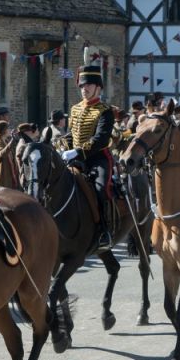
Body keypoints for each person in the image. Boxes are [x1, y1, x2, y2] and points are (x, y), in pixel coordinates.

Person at [62, 64, 117, 247]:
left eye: (88, 85)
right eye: (82, 86)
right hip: (75, 159)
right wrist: (63, 147)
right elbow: (71, 134)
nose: (84, 89)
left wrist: (76, 151)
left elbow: (101, 139)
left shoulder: (105, 111)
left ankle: (103, 230)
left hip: (98, 159)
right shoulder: (75, 109)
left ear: (98, 87)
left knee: (101, 189)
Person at [0, 120, 20, 189]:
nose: (9, 130)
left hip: (10, 175)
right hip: (3, 177)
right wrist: (12, 141)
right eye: (8, 128)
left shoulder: (6, 140)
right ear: (3, 131)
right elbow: (2, 154)